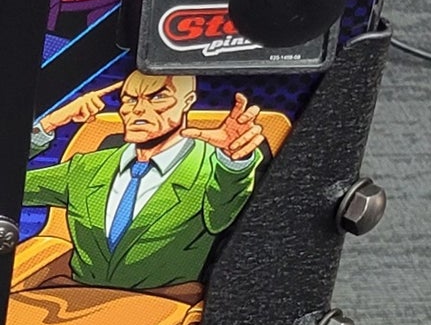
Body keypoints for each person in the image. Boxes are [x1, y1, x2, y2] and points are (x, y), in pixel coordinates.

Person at [21, 69, 268, 294]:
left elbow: (224, 217)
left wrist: (234, 161)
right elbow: (4, 191)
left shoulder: (213, 168)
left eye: (158, 97)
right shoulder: (87, 168)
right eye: (129, 100)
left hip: (165, 308)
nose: (137, 110)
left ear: (188, 101)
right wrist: (48, 124)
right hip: (78, 301)